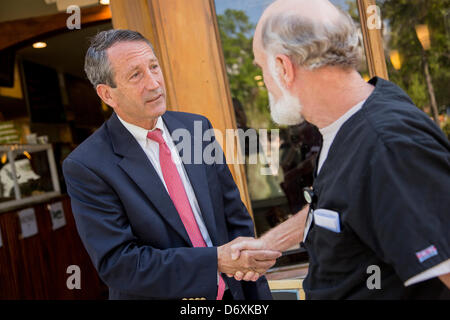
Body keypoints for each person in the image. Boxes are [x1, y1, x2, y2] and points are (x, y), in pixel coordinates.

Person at [230, 0, 450, 299]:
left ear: (283, 67)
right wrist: (269, 243)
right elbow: (349, 203)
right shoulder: (350, 123)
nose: (265, 81)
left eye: (261, 68)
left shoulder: (388, 147)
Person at [62, 29, 281, 300]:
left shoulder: (196, 128)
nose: (154, 83)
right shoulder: (87, 165)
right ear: (107, 94)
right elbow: (120, 264)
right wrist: (214, 261)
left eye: (154, 67)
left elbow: (233, 217)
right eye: (136, 75)